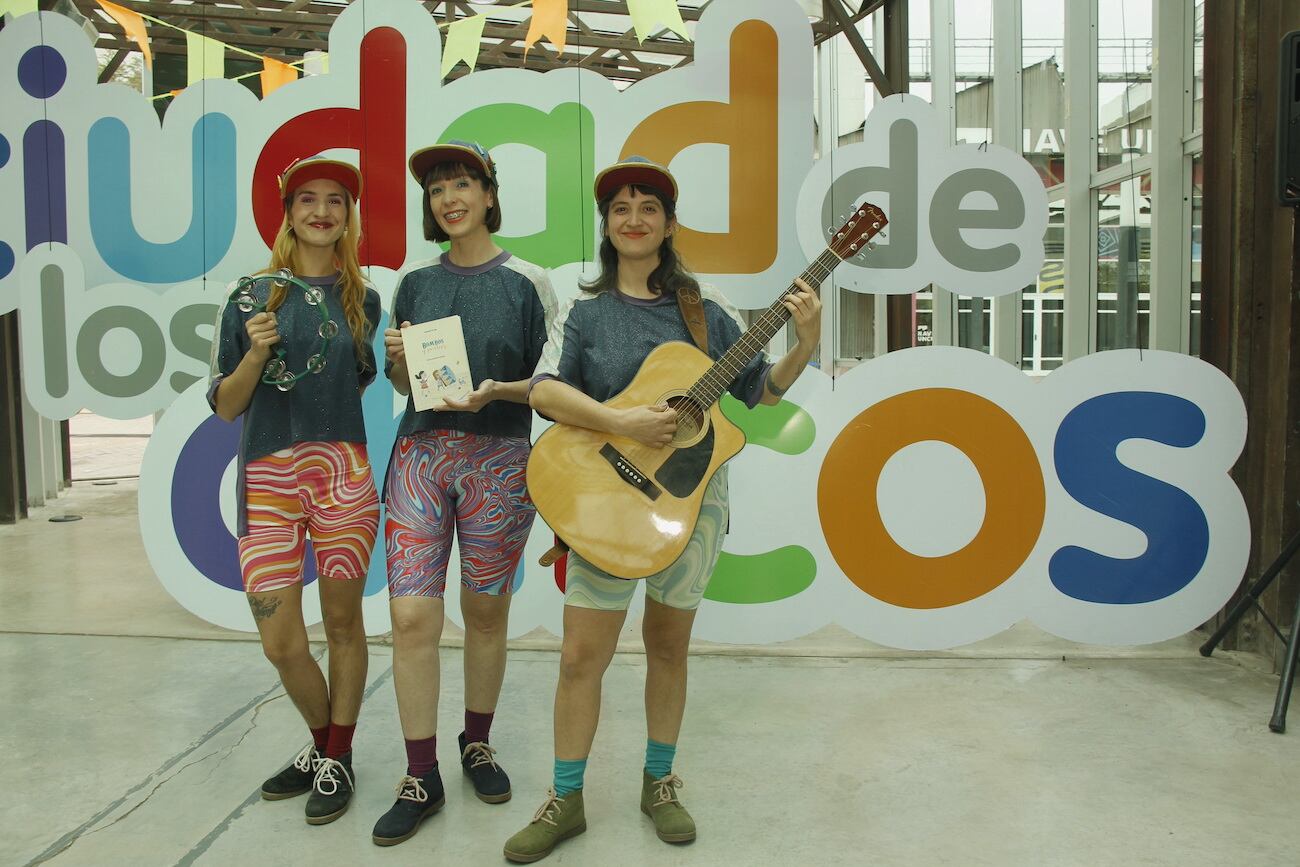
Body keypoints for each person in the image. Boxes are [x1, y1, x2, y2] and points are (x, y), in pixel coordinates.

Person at [503, 157, 822, 862]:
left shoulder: (706, 314)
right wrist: (624, 424)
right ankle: (565, 798)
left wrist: (804, 343)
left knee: (668, 647)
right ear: (607, 227)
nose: (635, 218)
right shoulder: (584, 315)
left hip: (690, 508)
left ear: (670, 224)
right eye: (621, 208)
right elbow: (546, 393)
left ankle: (659, 782)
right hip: (600, 502)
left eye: (649, 207)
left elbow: (759, 393)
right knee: (582, 654)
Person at [373, 140, 557, 847]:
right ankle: (421, 772)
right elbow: (411, 390)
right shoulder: (414, 283)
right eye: (437, 188)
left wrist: (498, 391)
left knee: (484, 612)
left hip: (502, 458)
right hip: (421, 455)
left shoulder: (530, 282)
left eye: (462, 184)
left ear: (488, 194)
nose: (448, 198)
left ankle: (475, 742)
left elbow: (553, 382)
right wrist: (397, 365)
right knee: (413, 619)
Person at [208, 157, 382, 825]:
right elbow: (226, 406)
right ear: (287, 212)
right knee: (281, 641)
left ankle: (335, 758)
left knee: (343, 623)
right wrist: (254, 354)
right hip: (268, 480)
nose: (322, 210)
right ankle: (324, 744)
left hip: (343, 477)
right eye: (306, 198)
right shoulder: (249, 294)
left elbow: (356, 384)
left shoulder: (362, 299)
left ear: (348, 215)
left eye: (335, 200)